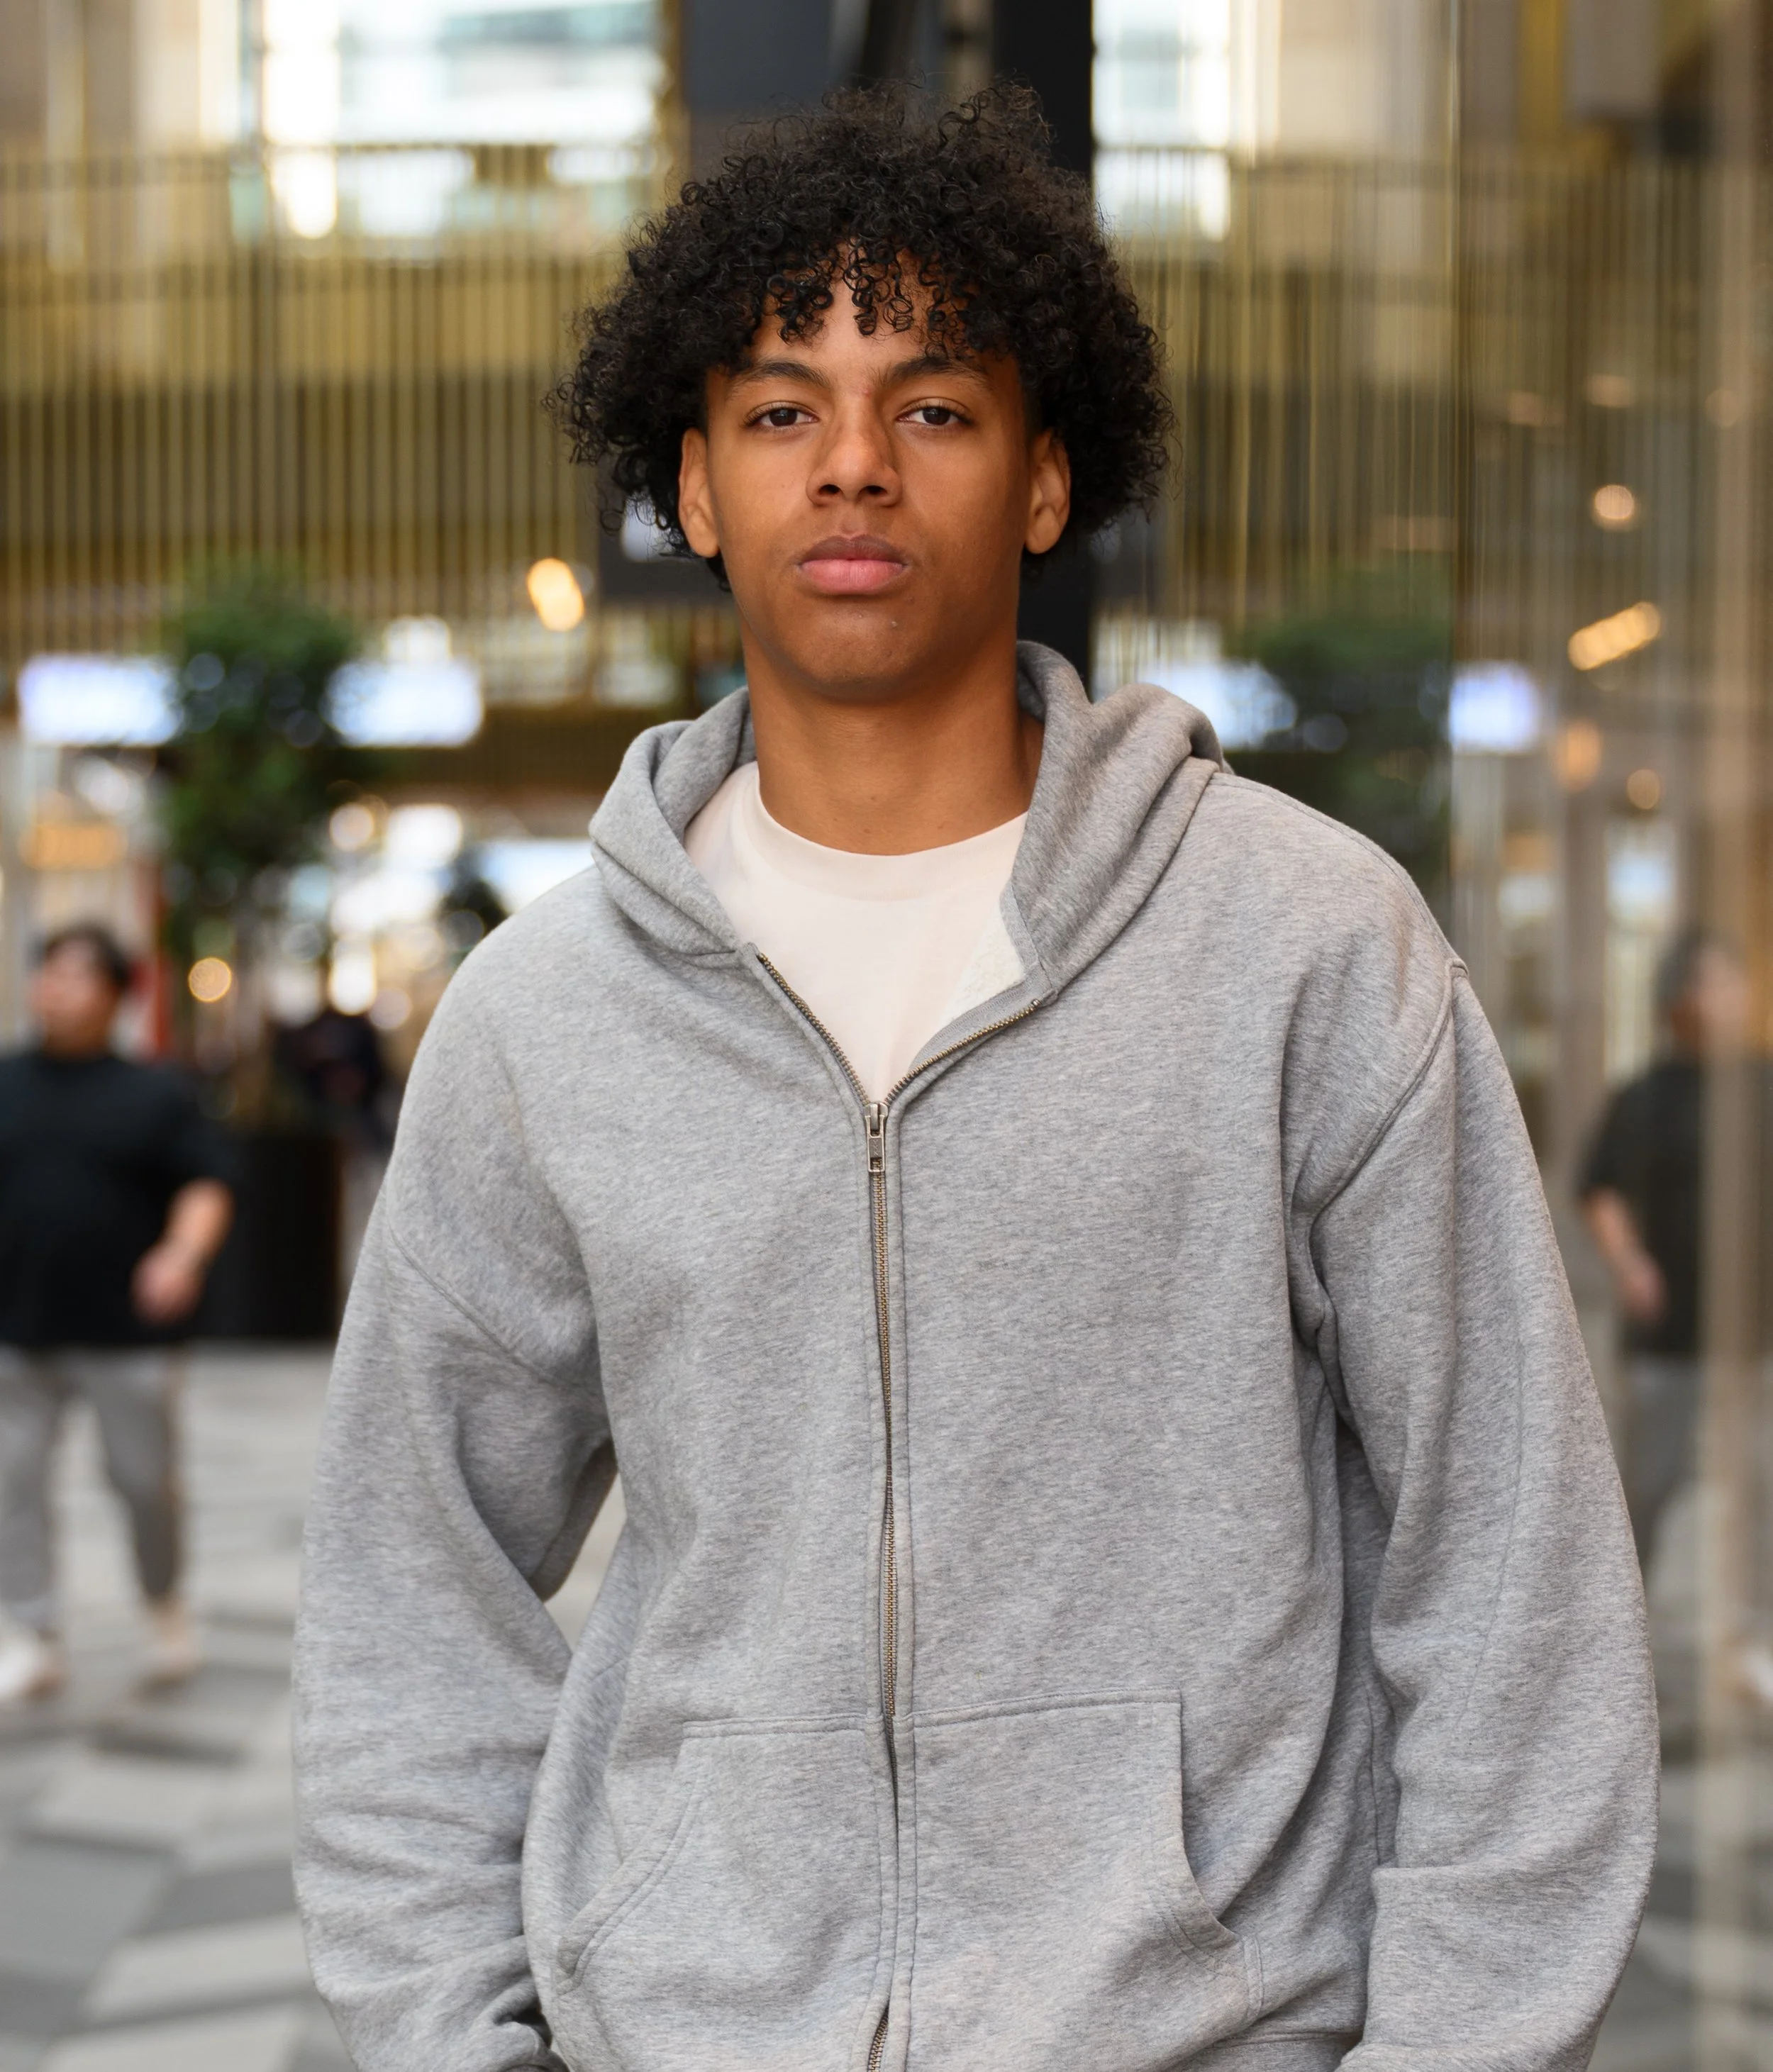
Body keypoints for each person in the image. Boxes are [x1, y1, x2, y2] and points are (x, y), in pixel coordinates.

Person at [294, 89, 1657, 2072]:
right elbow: (407, 1584)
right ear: (688, 484)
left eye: (930, 407)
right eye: (779, 412)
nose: (851, 468)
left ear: (1040, 480)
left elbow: (1510, 1559)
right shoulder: (545, 1015)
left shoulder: (1300, 944)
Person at [0, 924, 235, 1705]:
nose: (57, 990)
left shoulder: (155, 1092)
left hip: (126, 1330)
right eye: (49, 974)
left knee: (143, 1481)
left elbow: (206, 1183)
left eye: (78, 976)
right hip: (17, 1324)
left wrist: (181, 1255)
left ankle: (163, 1603)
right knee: (12, 1483)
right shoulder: (6, 1082)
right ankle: (32, 1633)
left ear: (116, 995)